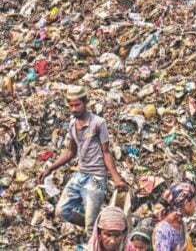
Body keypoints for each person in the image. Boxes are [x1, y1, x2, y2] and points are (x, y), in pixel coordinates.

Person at [36, 90, 127, 236]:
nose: (74, 109)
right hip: (81, 174)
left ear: (85, 103)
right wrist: (50, 169)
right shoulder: (73, 124)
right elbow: (70, 152)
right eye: (71, 105)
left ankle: (93, 231)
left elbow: (106, 152)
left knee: (90, 228)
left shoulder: (98, 123)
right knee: (61, 212)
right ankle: (98, 228)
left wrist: (116, 178)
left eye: (77, 105)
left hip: (96, 178)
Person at [153, 182, 196, 251]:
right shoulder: (163, 230)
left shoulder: (180, 223)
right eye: (194, 201)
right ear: (186, 203)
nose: (195, 205)